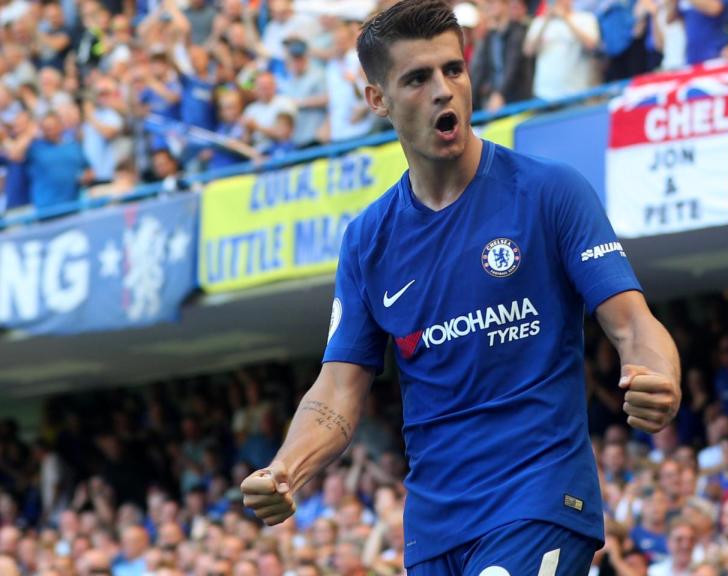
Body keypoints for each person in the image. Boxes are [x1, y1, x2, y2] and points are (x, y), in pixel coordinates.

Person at [240, 3, 682, 576]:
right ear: (378, 100)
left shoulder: (550, 192)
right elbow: (338, 389)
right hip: (435, 526)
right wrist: (285, 470)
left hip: (538, 498)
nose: (444, 90)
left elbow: (632, 322)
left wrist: (659, 373)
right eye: (417, 78)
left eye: (453, 69)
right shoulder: (367, 241)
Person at [522, 0, 600, 101]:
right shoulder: (539, 22)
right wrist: (546, 20)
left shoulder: (585, 18)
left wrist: (565, 18)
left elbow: (592, 44)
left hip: (575, 92)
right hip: (543, 94)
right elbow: (528, 51)